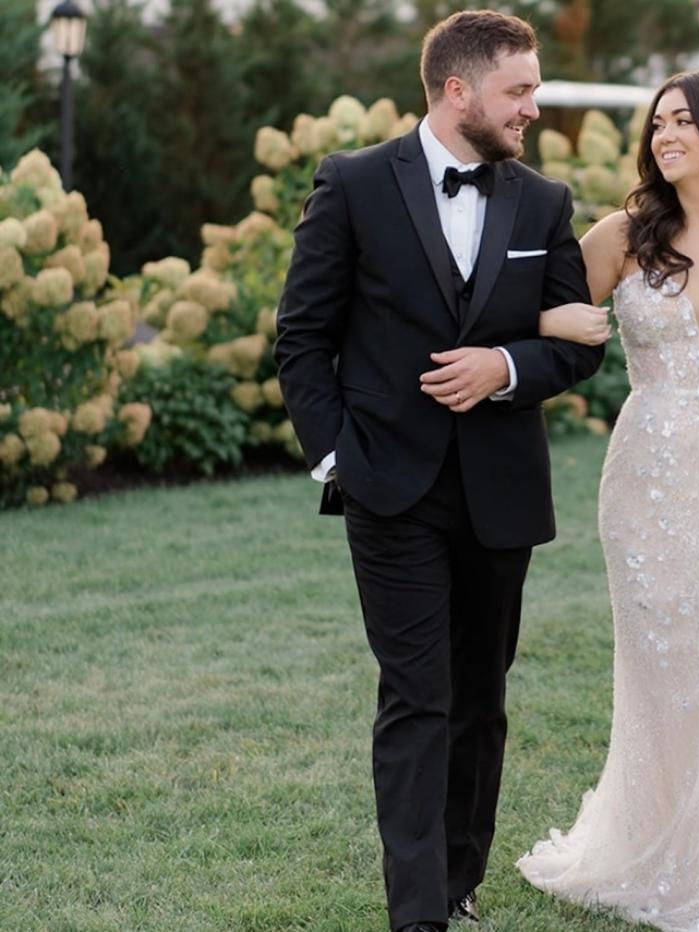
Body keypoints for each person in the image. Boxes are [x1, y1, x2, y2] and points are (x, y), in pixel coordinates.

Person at [273, 11, 603, 932]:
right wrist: (336, 456)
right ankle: (417, 915)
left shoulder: (545, 202)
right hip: (390, 486)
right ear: (458, 90)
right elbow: (303, 335)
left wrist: (503, 368)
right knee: (416, 697)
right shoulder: (354, 183)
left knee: (480, 700)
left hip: (500, 492)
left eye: (534, 90)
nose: (533, 108)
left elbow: (577, 348)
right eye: (520, 91)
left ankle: (460, 881)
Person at [516, 69, 699, 932]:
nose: (664, 135)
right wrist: (553, 324)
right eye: (657, 124)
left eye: (683, 121)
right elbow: (532, 309)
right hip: (649, 484)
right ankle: (654, 845)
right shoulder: (623, 235)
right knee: (662, 677)